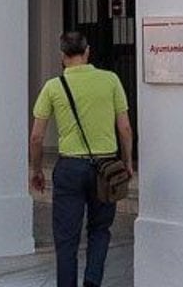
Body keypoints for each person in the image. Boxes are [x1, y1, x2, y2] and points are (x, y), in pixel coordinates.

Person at [30, 31, 135, 287]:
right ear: (87, 51)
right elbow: (125, 128)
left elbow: (36, 137)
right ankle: (92, 281)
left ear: (62, 56)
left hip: (70, 167)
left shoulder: (53, 87)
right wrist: (128, 162)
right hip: (106, 166)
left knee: (66, 237)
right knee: (100, 229)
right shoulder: (110, 80)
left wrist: (36, 170)